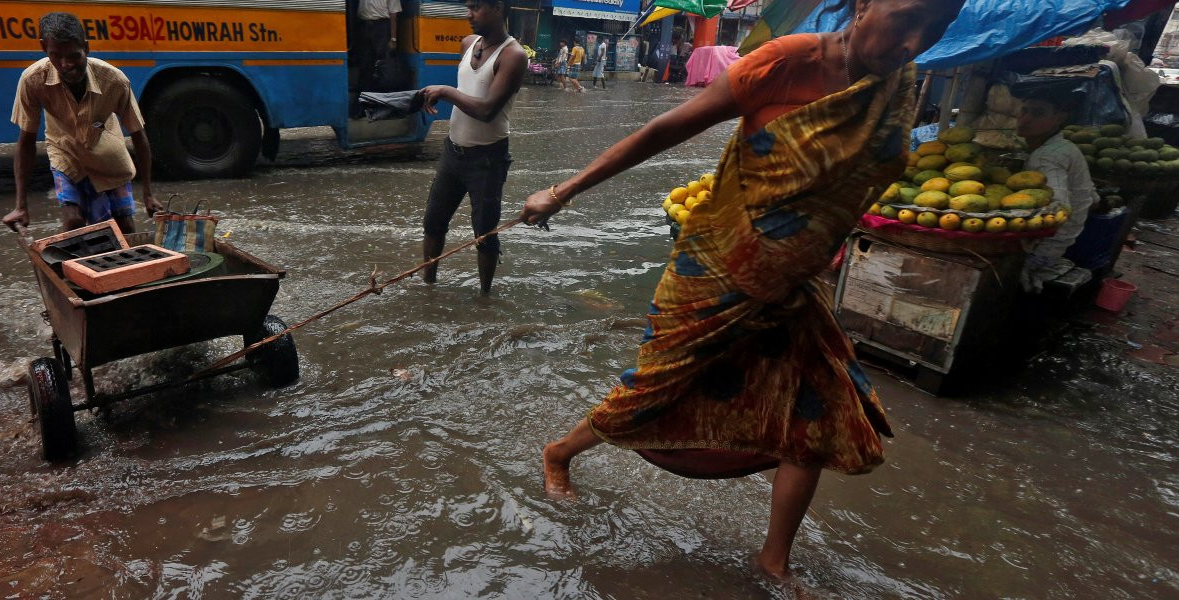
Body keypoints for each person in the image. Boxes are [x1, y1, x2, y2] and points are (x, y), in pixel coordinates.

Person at [521, 0, 966, 580]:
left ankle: (774, 561)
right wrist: (561, 192)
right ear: (862, 5)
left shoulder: (898, 87)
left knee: (815, 416)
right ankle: (560, 453)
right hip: (718, 268)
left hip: (796, 282)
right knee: (653, 389)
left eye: (935, 29)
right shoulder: (784, 63)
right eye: (906, 20)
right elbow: (665, 129)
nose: (913, 44)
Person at [2, 12, 160, 234]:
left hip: (106, 152)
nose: (66, 65)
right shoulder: (33, 80)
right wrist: (20, 205)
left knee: (124, 228)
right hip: (64, 151)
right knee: (73, 222)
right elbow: (25, 142)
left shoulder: (114, 81)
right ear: (43, 48)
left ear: (86, 48)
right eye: (56, 56)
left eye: (74, 56)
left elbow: (138, 136)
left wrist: (148, 193)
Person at [417, 0, 528, 295]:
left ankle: (485, 298)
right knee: (433, 223)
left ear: (498, 8)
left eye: (476, 7)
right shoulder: (468, 44)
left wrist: (446, 92)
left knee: (485, 236)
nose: (468, 14)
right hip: (453, 152)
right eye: (467, 6)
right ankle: (428, 286)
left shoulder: (514, 56)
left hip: (487, 160)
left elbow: (487, 110)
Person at [1013, 91, 1099, 292]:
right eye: (1024, 110)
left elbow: (1058, 209)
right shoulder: (1063, 146)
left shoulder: (1047, 157)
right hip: (1066, 239)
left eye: (1038, 113)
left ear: (1060, 118)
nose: (1025, 119)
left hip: (1045, 248)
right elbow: (1093, 198)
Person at [355, 0, 402, 92]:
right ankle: (364, 94)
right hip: (363, 25)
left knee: (381, 62)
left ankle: (382, 93)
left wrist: (393, 39)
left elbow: (394, 15)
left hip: (381, 26)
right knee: (365, 62)